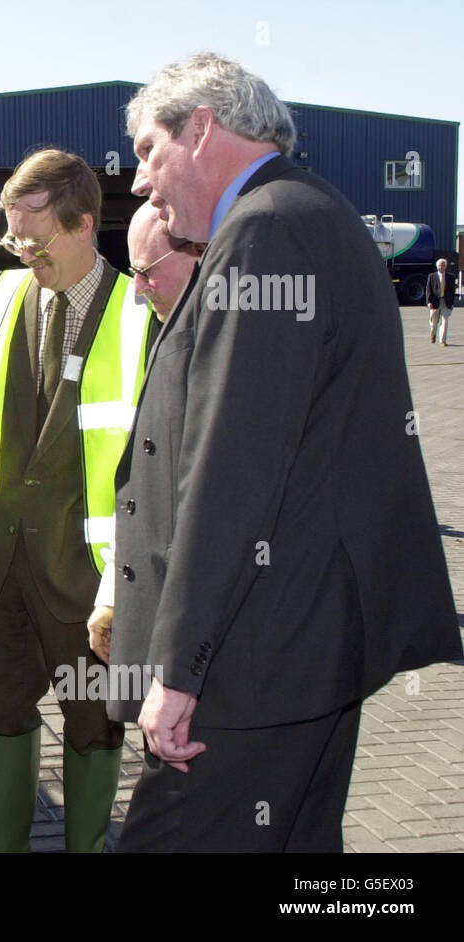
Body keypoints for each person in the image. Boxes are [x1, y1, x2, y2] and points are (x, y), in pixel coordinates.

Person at [110, 52, 460, 852]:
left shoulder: (264, 231)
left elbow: (233, 472)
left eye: (146, 153)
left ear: (201, 129)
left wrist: (180, 669)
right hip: (302, 647)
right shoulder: (314, 213)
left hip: (252, 662)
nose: (138, 183)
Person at [0, 148, 157, 853]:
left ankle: (85, 846)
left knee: (95, 721)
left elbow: (156, 464)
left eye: (35, 237)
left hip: (90, 579)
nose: (22, 252)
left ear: (84, 223)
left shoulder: (141, 313)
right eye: (12, 238)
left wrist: (136, 581)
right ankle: (4, 844)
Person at [87, 202, 202, 663]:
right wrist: (112, 596)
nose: (137, 288)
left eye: (147, 271)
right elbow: (142, 486)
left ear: (200, 254)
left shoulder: (242, 354)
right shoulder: (167, 342)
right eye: (132, 271)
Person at [427, 258, 456, 346]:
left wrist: (451, 304)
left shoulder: (450, 277)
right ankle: (433, 334)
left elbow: (452, 291)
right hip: (435, 302)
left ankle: (442, 341)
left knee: (444, 321)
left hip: (446, 302)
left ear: (446, 266)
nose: (441, 267)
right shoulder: (432, 276)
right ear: (437, 266)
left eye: (443, 265)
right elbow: (428, 290)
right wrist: (429, 302)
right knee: (433, 323)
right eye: (440, 265)